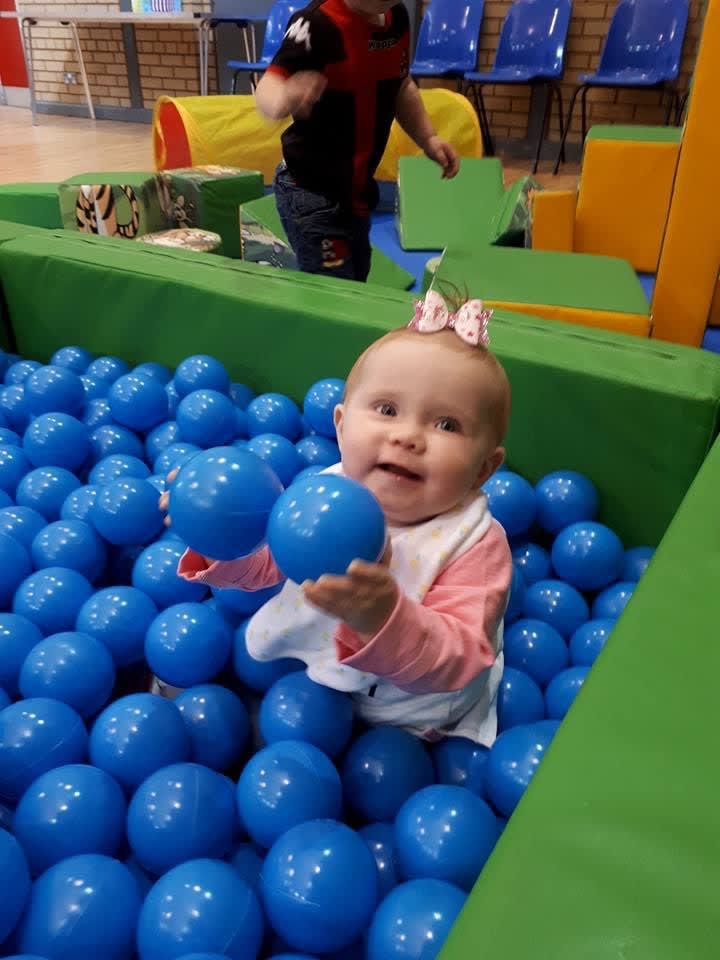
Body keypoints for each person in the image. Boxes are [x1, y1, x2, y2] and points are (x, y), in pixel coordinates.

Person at [169, 289, 513, 745]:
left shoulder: (473, 544)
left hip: (404, 709)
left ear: (484, 469)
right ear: (341, 424)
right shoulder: (326, 492)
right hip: (314, 666)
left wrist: (384, 617)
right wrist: (219, 536)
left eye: (447, 424)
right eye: (387, 409)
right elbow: (269, 561)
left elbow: (461, 655)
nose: (408, 436)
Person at [253, 0, 460, 282]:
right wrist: (284, 97)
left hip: (355, 192)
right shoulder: (316, 23)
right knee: (335, 286)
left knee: (358, 274)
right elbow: (269, 85)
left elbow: (402, 86)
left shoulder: (397, 18)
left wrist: (428, 138)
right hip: (310, 189)